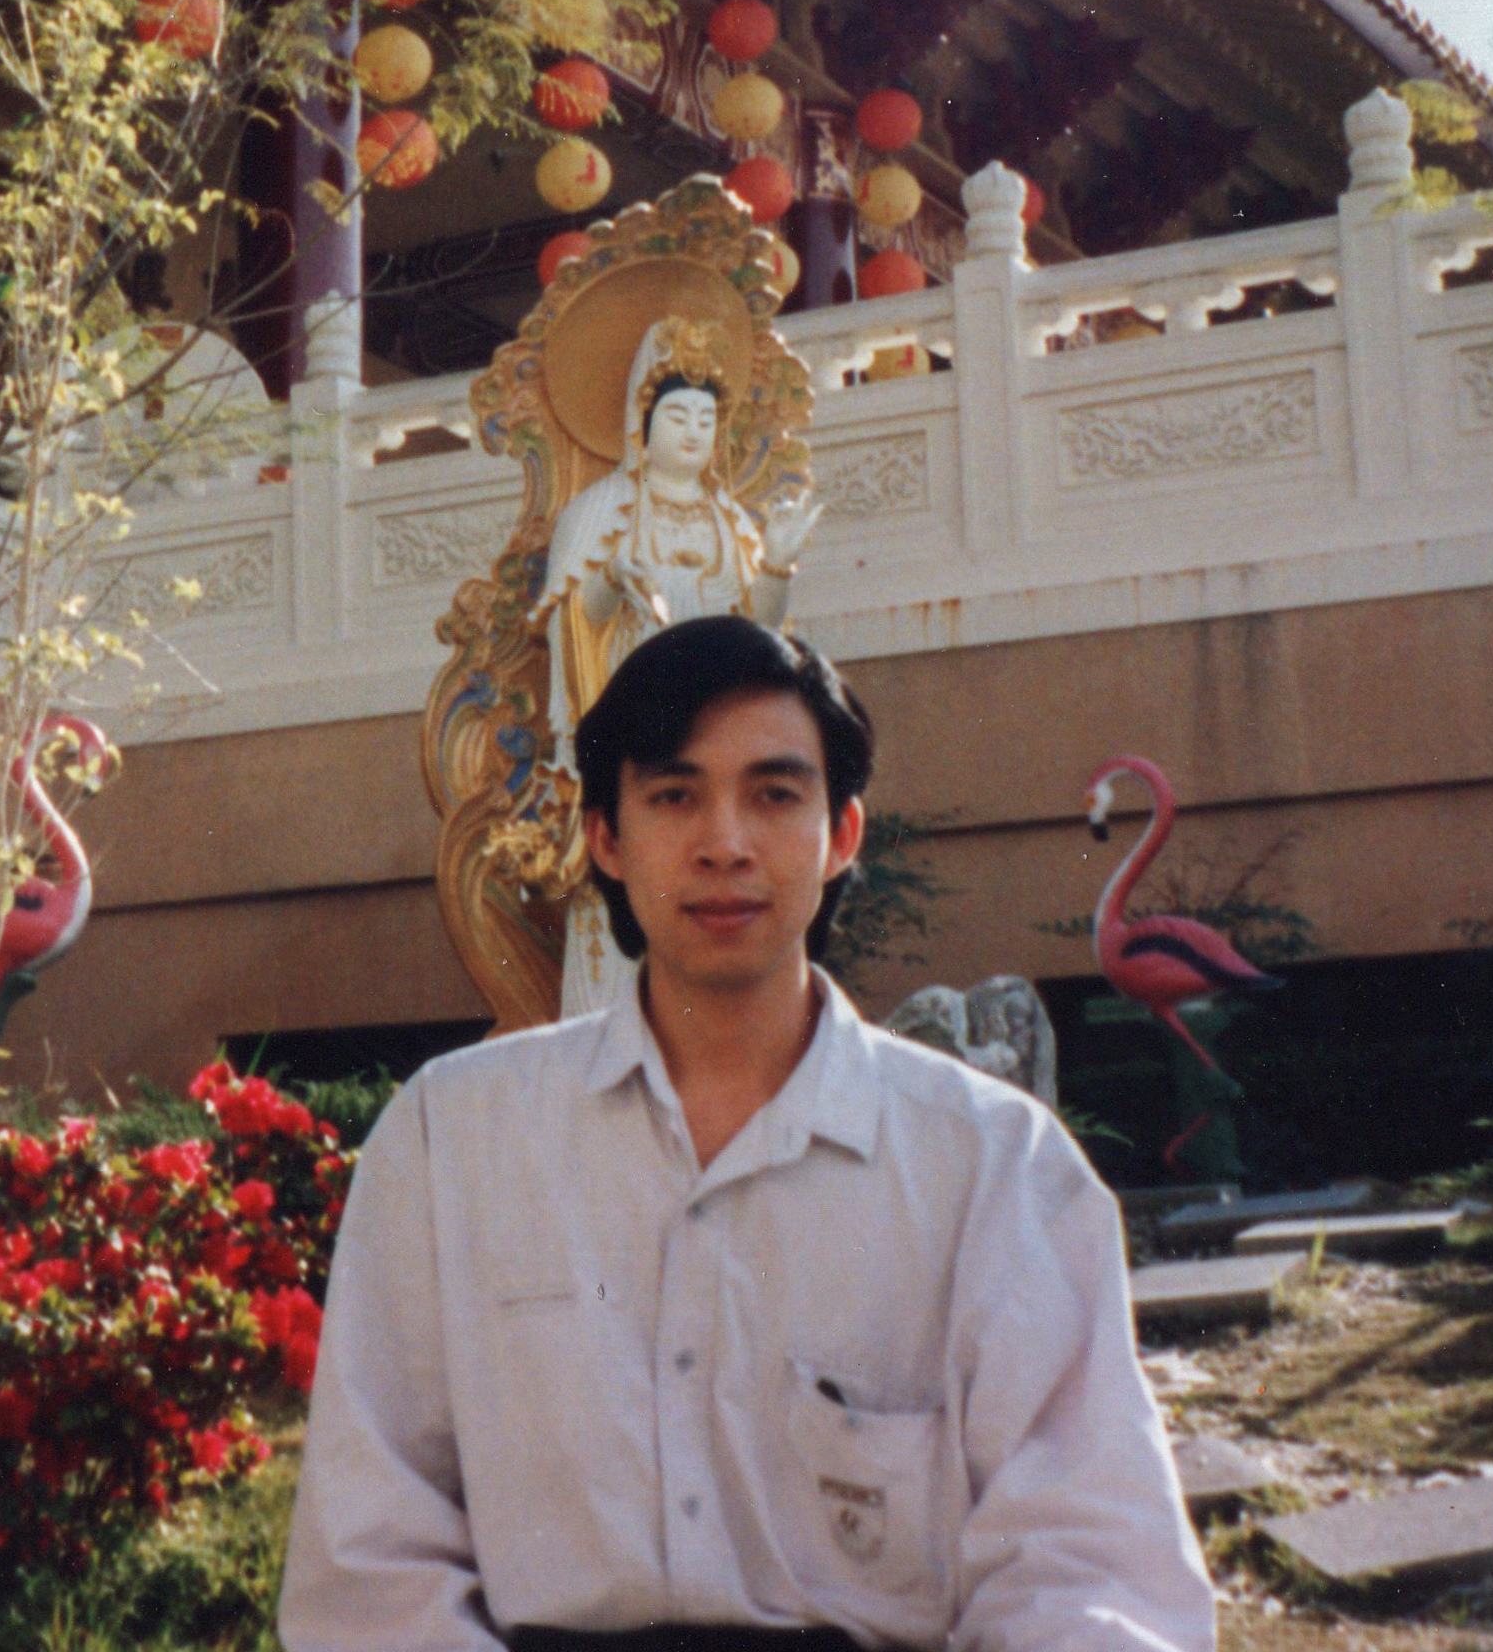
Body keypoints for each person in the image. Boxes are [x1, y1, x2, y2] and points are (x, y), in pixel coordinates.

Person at [283, 615, 1211, 1652]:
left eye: (773, 793)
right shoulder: (450, 1139)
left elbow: (1090, 1572)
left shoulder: (991, 1164)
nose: (724, 842)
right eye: (673, 795)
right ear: (604, 837)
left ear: (840, 833)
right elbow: (368, 1563)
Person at [532, 317, 823, 1018]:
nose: (693, 432)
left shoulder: (735, 522)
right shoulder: (599, 512)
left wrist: (777, 561)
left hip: (725, 741)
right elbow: (567, 622)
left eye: (705, 419)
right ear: (642, 423)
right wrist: (609, 580)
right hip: (640, 742)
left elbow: (762, 636)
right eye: (677, 415)